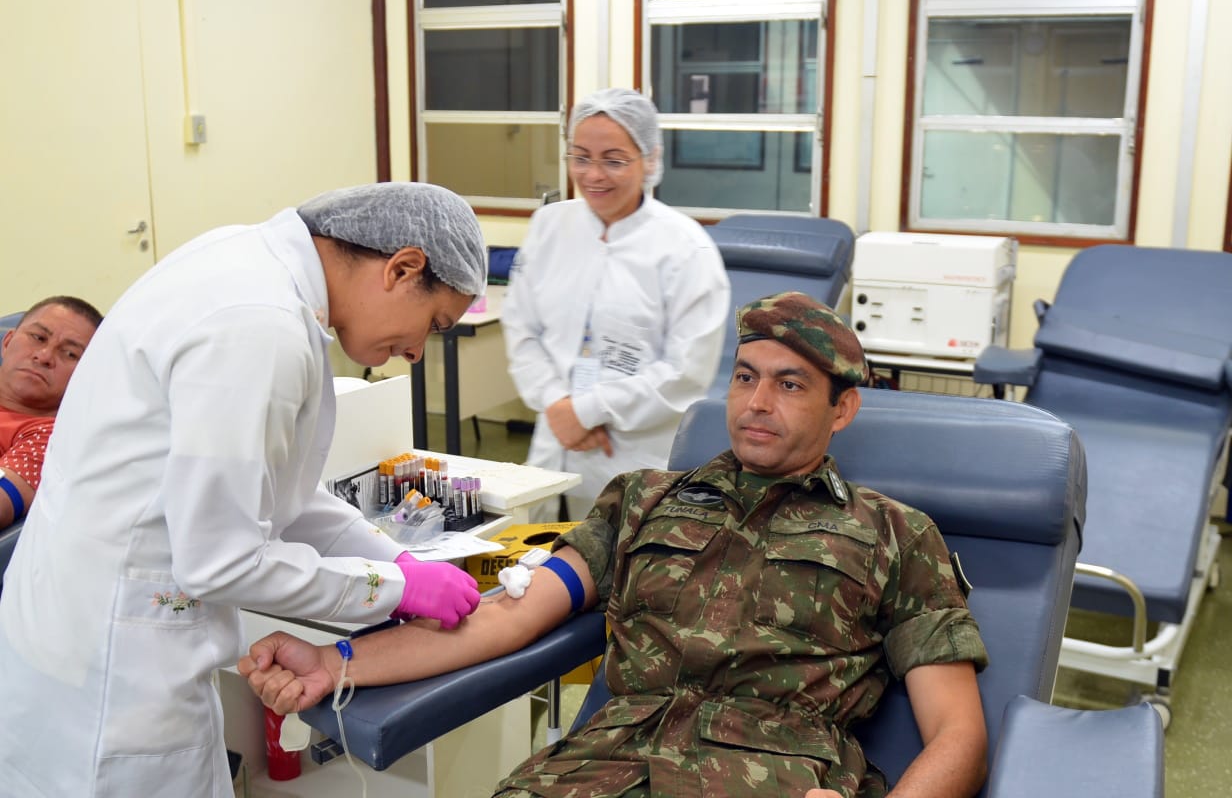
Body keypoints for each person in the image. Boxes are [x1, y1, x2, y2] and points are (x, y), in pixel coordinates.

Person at [242, 291, 990, 798]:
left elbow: (959, 734)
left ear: (844, 408)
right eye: (745, 377)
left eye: (791, 385)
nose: (757, 403)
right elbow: (506, 616)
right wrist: (337, 662)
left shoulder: (894, 533)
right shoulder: (643, 500)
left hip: (771, 775)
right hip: (599, 770)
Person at [0, 183, 488, 797]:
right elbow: (222, 559)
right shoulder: (260, 327)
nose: (417, 352)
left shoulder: (246, 266)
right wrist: (390, 589)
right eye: (434, 324)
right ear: (403, 267)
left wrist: (399, 562)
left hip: (75, 634)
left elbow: (278, 489)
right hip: (113, 675)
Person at [501, 87, 731, 520]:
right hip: (555, 441)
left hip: (634, 454)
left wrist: (588, 411)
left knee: (624, 570)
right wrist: (558, 405)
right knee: (541, 557)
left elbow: (686, 371)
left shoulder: (686, 250)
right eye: (580, 157)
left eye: (614, 159)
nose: (593, 174)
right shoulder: (551, 226)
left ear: (649, 160)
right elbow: (521, 327)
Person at [0, 296, 102, 527]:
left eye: (70, 354)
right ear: (7, 343)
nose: (44, 356)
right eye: (38, 338)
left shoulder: (48, 439)